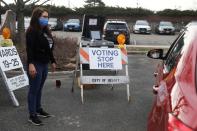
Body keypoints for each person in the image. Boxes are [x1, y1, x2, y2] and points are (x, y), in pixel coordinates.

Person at [26, 7, 56, 126]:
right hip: (36, 63)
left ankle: (38, 109)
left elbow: (49, 49)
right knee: (33, 90)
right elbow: (30, 49)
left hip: (44, 64)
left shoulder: (46, 31)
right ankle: (32, 115)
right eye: (44, 17)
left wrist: (52, 61)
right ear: (37, 17)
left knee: (39, 88)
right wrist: (31, 64)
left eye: (47, 17)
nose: (46, 19)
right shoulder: (31, 31)